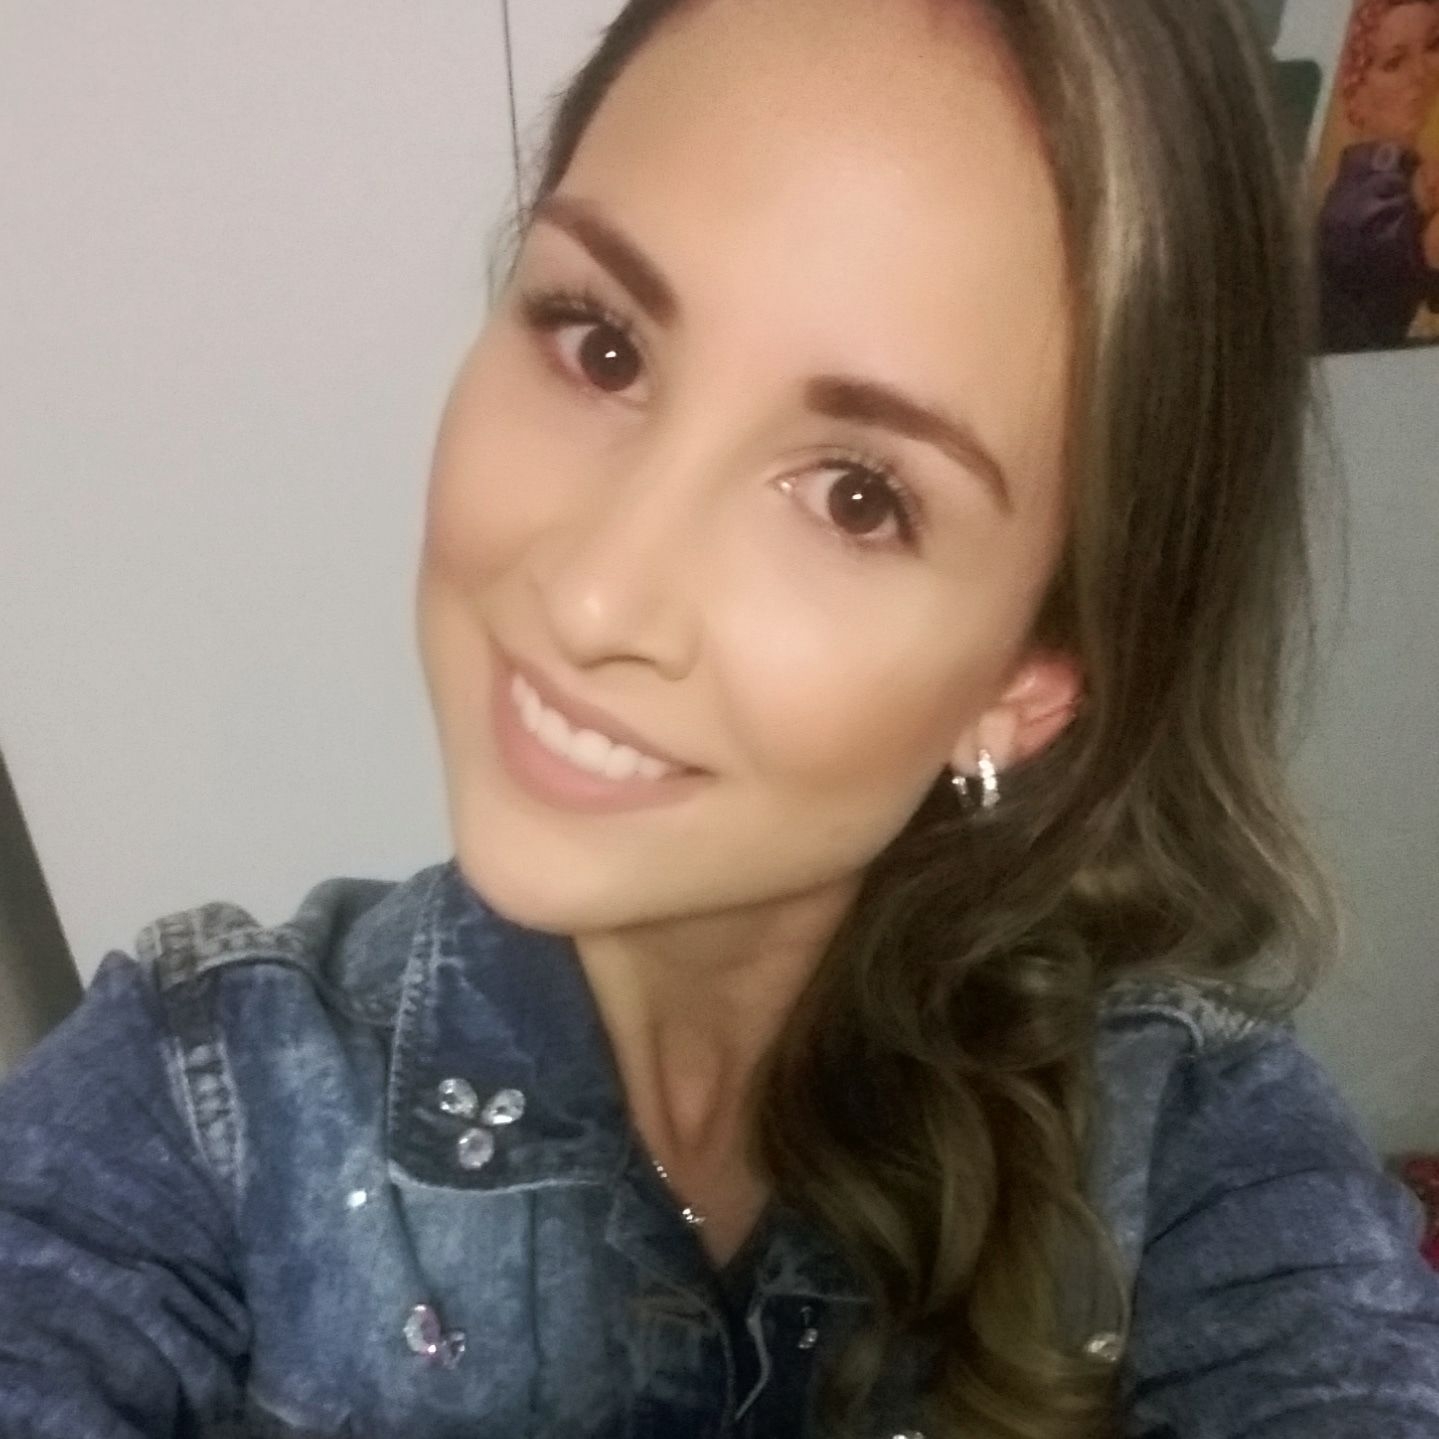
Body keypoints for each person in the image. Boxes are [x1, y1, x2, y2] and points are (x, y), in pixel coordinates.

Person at [3, 1, 1438, 1435]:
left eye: (856, 497)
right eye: (601, 345)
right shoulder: (201, 1097)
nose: (594, 595)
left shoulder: (1187, 1156)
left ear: (1023, 680)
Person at [1318, 0, 1439, 350]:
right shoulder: (1359, 198)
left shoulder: (1408, 172)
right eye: (1394, 63)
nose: (1422, 73)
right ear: (1355, 92)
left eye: (1433, 45)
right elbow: (1402, 250)